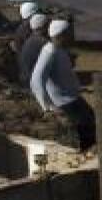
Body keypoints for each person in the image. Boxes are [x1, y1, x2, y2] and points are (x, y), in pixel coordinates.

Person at [30, 19, 96, 151]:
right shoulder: (50, 52)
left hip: (71, 97)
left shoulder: (58, 49)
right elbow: (36, 79)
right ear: (61, 35)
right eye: (69, 33)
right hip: (63, 101)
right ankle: (87, 151)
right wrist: (47, 106)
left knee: (89, 120)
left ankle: (89, 150)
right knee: (84, 124)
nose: (72, 37)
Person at [17, 12, 49, 86]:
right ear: (43, 27)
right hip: (34, 81)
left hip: (26, 77)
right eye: (47, 25)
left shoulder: (30, 40)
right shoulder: (43, 42)